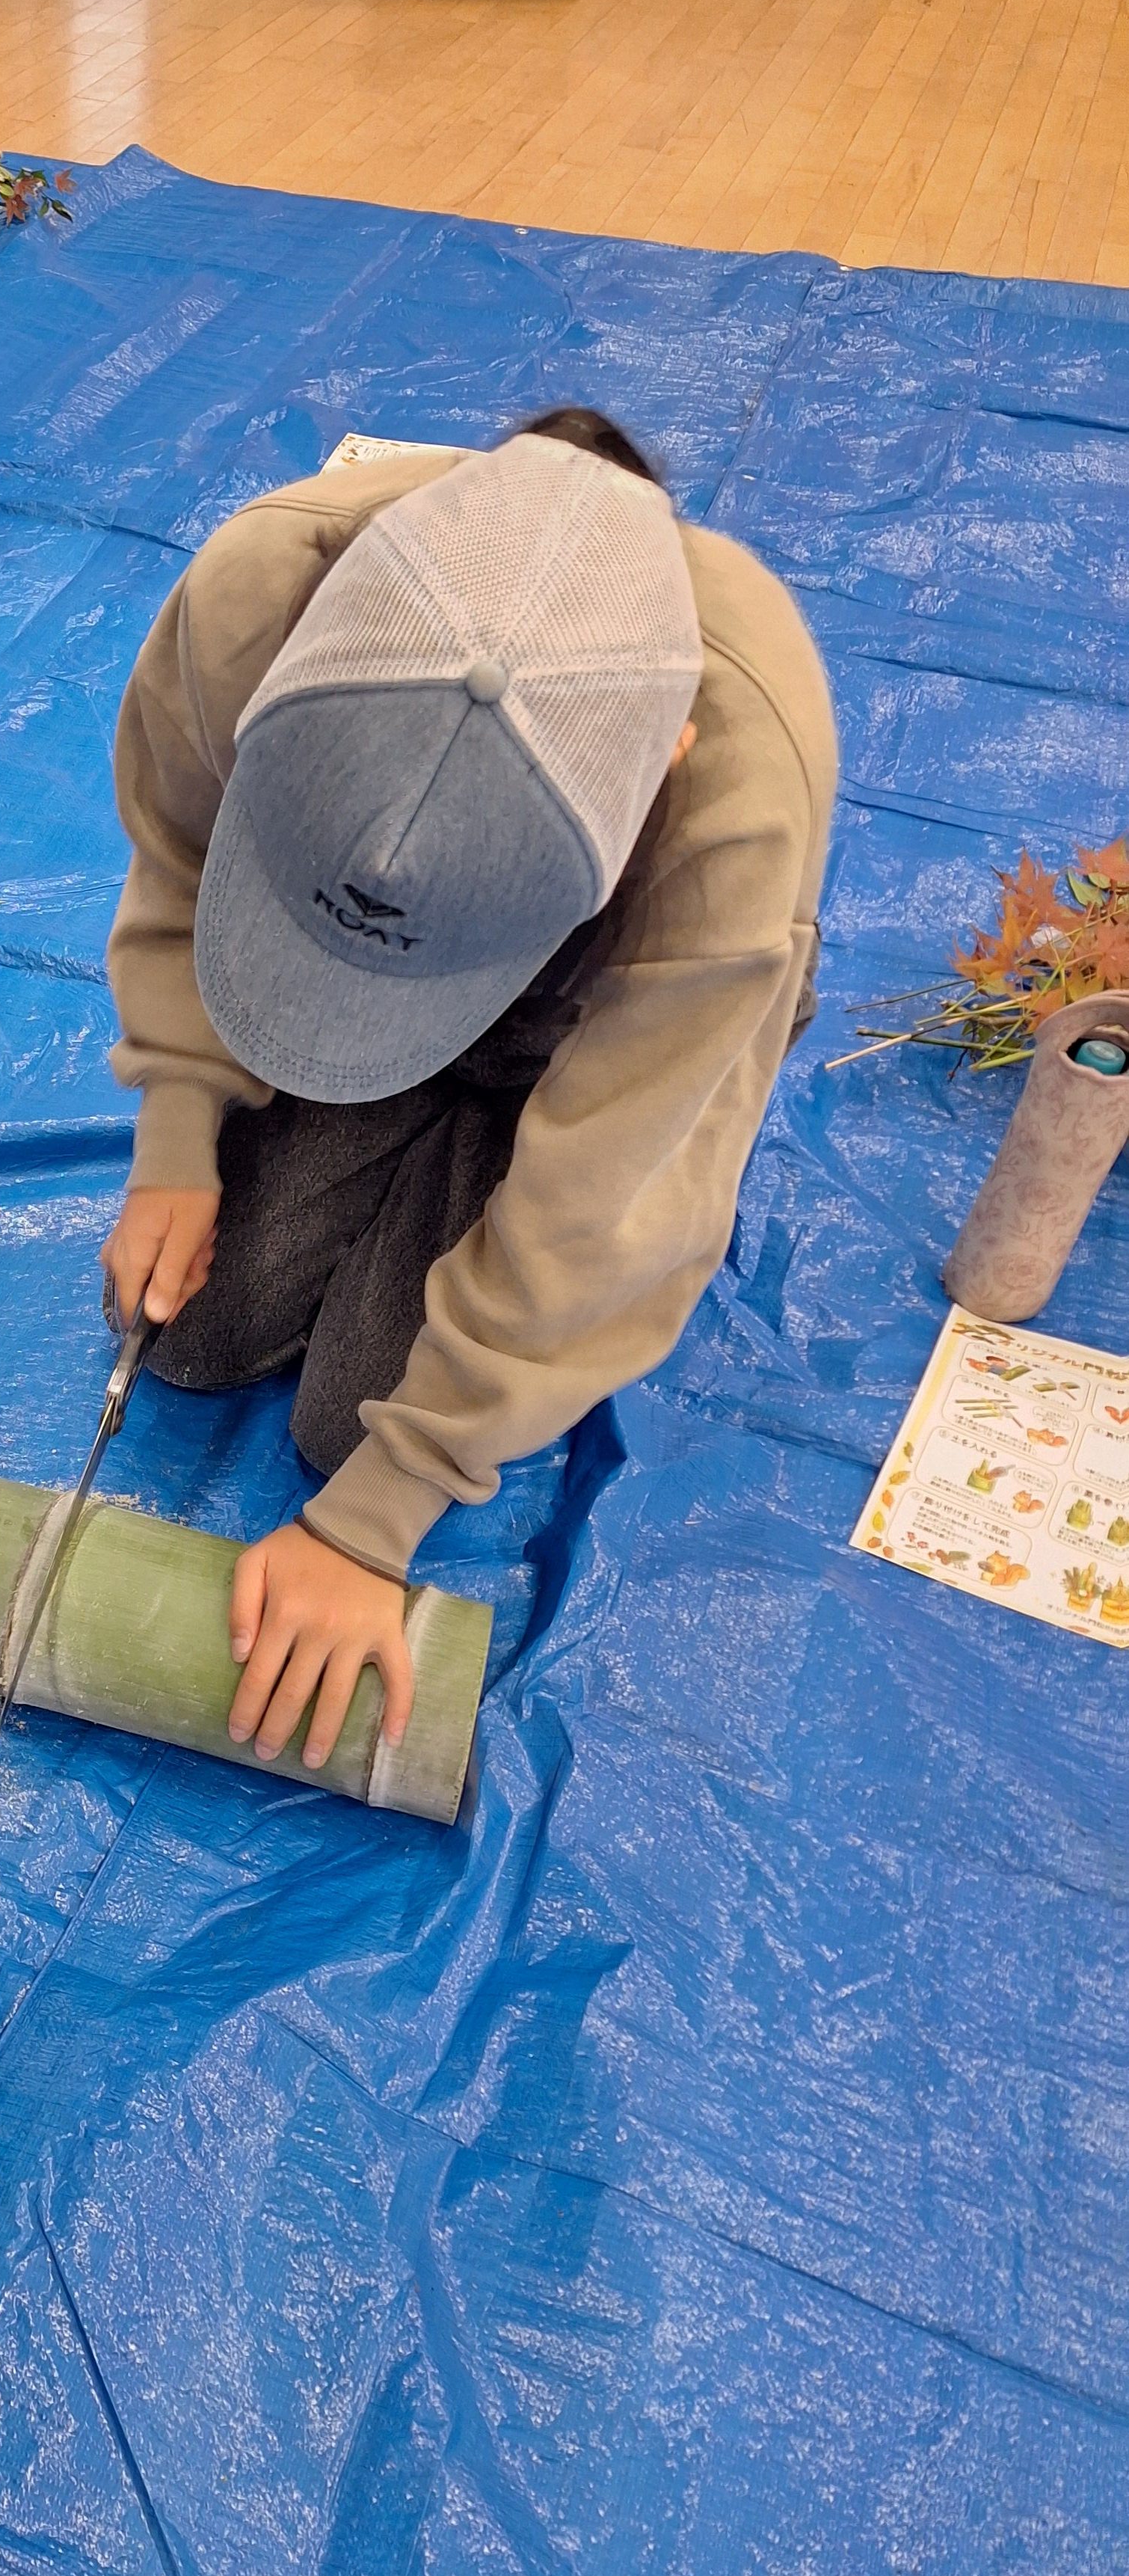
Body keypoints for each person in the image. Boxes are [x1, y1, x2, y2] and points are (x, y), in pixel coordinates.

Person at [99, 411, 837, 1778]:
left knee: (351, 1428)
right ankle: (380, 1084)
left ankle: (462, 1135)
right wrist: (178, 1130)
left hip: (576, 1044)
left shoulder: (739, 810)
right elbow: (180, 859)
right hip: (349, 970)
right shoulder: (254, 592)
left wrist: (375, 1518)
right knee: (193, 1331)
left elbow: (616, 1183)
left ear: (663, 760)